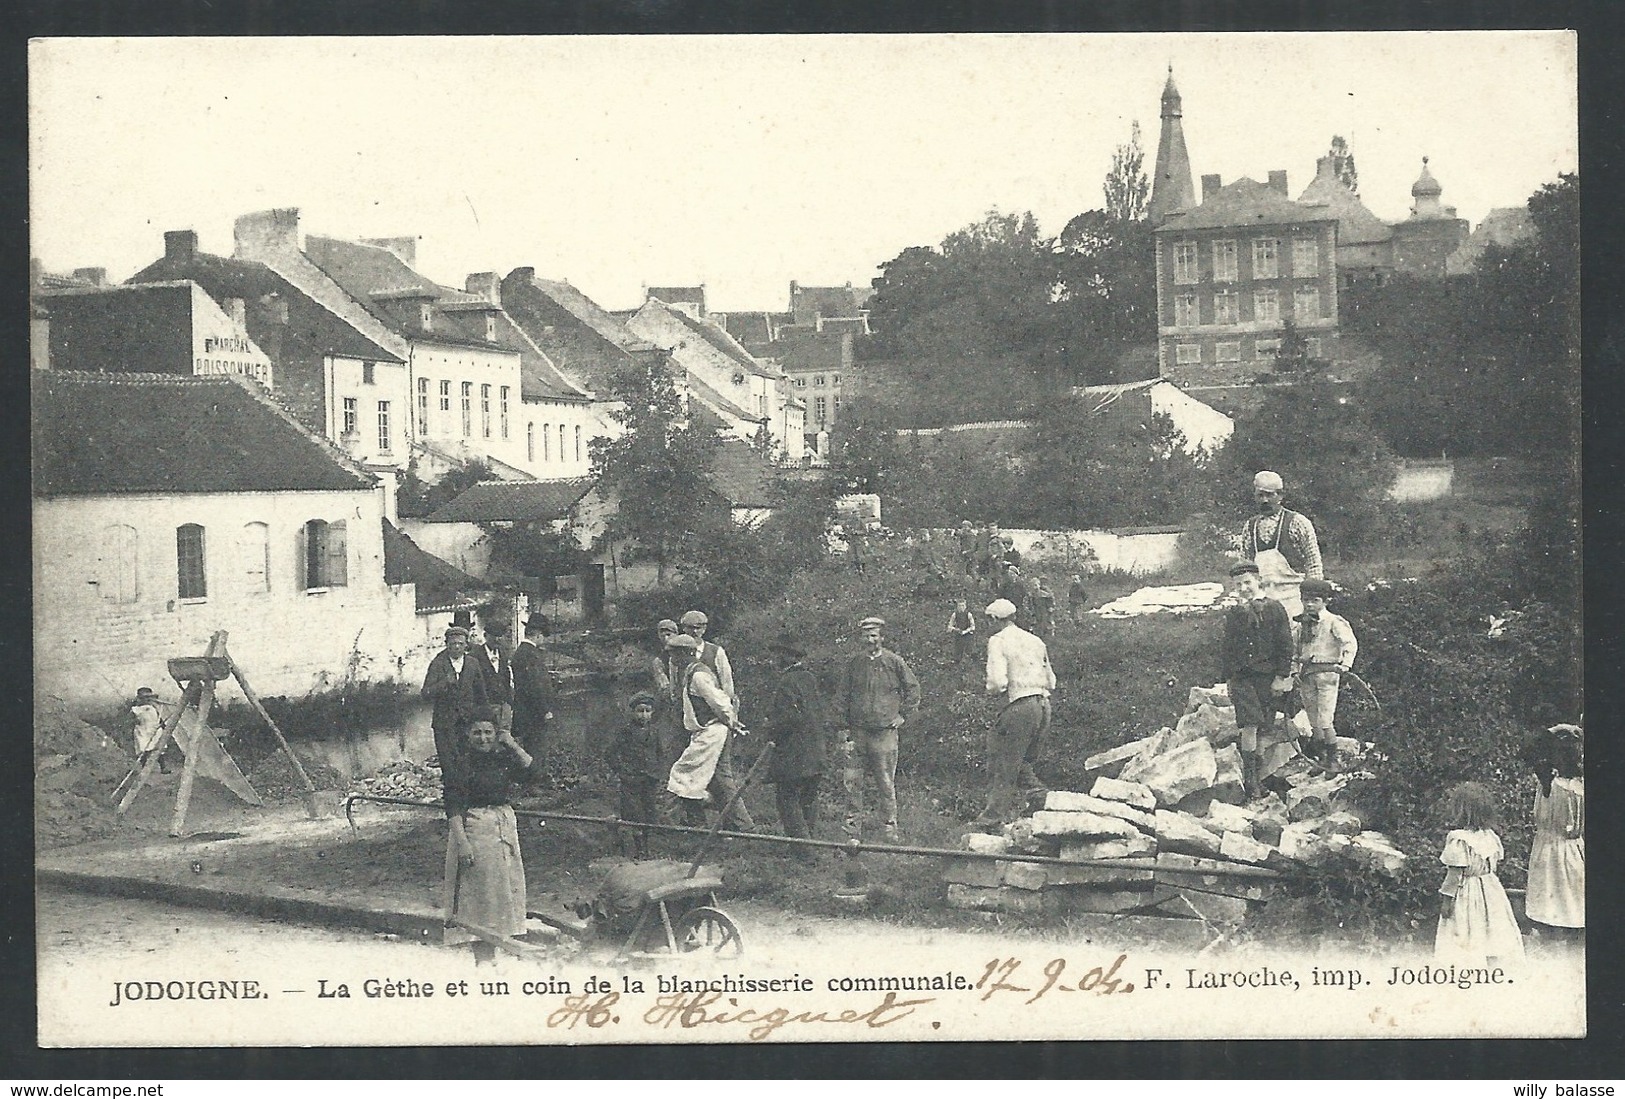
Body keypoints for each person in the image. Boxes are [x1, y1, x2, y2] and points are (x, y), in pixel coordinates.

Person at [442, 706, 538, 965]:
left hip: (504, 826)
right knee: (482, 895)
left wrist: (512, 744)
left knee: (506, 889)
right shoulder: (459, 764)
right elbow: (453, 806)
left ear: (496, 734)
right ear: (467, 735)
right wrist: (463, 843)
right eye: (477, 733)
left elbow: (534, 773)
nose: (483, 738)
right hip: (475, 829)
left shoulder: (502, 758)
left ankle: (505, 948)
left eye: (488, 732)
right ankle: (483, 957)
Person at [834, 616, 920, 843]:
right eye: (866, 636)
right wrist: (843, 729)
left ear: (882, 637)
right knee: (852, 783)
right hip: (858, 733)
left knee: (885, 782)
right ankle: (852, 831)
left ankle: (889, 829)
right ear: (861, 638)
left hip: (884, 734)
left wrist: (903, 716)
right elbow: (843, 696)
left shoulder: (894, 662)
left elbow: (913, 689)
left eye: (874, 635)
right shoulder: (854, 664)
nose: (870, 640)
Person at [971, 598, 1056, 828]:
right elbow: (1052, 680)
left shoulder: (997, 640)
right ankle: (1043, 801)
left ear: (993, 619)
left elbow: (997, 682)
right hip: (1043, 704)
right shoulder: (1035, 640)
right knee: (1024, 763)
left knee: (1002, 761)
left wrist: (991, 692)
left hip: (1020, 706)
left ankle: (991, 819)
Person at [665, 635, 755, 830]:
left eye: (675, 653)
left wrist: (732, 722)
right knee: (711, 779)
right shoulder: (689, 672)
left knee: (684, 775)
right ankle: (708, 823)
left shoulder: (699, 675)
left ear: (686, 653)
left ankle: (741, 825)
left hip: (713, 732)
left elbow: (720, 701)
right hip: (705, 731)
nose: (672, 658)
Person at [1222, 561, 1294, 798]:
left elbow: (1285, 645)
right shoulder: (1234, 613)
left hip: (1267, 677)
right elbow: (1228, 648)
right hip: (1242, 678)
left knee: (1265, 725)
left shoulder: (1275, 609)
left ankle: (1261, 777)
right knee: (1250, 724)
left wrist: (1281, 676)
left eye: (1247, 582)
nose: (1243, 588)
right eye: (1238, 585)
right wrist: (1229, 677)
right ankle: (1250, 780)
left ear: (1258, 581)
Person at [1435, 782, 1525, 964]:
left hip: (1466, 890)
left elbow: (1454, 876)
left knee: (1466, 925)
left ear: (1460, 811)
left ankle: (1466, 964)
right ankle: (1490, 962)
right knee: (1489, 925)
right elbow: (1494, 866)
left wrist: (1446, 901)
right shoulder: (1490, 836)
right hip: (1491, 889)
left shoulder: (1459, 840)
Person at [762, 636, 832, 861]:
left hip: (795, 753)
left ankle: (804, 852)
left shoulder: (787, 682)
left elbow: (790, 717)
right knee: (808, 798)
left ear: (787, 657)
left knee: (787, 799)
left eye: (778, 654)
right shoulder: (809, 678)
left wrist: (770, 726)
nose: (774, 659)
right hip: (815, 748)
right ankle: (805, 845)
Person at [1524, 724, 1584, 946]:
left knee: (1551, 914)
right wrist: (1577, 732)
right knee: (1572, 909)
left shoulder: (1549, 782)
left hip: (1549, 852)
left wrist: (1556, 729)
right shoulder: (1581, 786)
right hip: (1575, 850)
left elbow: (1530, 749)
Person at [1292, 577, 1358, 771]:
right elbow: (1294, 652)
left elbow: (1349, 643)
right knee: (1313, 719)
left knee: (1325, 719)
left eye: (1315, 600)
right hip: (1307, 675)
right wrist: (1294, 671)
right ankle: (1320, 759)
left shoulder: (1333, 622)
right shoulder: (1299, 625)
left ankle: (1333, 759)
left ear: (1325, 601)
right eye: (1306, 600)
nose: (1310, 604)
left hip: (1328, 674)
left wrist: (1345, 665)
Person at [1241, 470, 1324, 618]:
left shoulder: (1298, 522)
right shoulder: (1250, 527)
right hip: (1262, 602)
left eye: (1270, 494)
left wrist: (1312, 604)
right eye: (1260, 495)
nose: (1265, 500)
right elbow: (1244, 568)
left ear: (1280, 496)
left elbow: (1313, 564)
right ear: (1255, 497)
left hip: (1293, 600)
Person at [422, 625, 491, 796]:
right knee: (449, 764)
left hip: (467, 722)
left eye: (460, 644)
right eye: (453, 644)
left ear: (466, 644)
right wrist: (444, 683)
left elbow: (481, 693)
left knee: (468, 760)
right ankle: (452, 800)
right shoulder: (438, 664)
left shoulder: (472, 663)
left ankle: (470, 796)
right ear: (447, 644)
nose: (457, 647)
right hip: (444, 724)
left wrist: (486, 716)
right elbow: (425, 693)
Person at [610, 692, 666, 859]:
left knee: (649, 813)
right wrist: (622, 771)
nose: (644, 715)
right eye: (640, 711)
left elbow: (660, 753)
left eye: (648, 711)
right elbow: (610, 754)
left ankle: (647, 849)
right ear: (632, 712)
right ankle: (639, 849)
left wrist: (658, 772)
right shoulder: (626, 732)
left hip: (649, 780)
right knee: (635, 815)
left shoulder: (654, 732)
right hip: (631, 781)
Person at [509, 616, 556, 774]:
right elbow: (534, 686)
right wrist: (544, 710)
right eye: (543, 636)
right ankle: (535, 782)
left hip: (526, 710)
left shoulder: (523, 653)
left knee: (533, 747)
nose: (543, 639)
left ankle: (535, 780)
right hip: (533, 712)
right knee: (536, 748)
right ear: (537, 635)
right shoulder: (530, 654)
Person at [474, 619, 515, 737]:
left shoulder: (503, 653)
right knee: (488, 738)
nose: (497, 639)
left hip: (503, 706)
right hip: (486, 707)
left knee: (504, 737)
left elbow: (506, 677)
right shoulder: (475, 656)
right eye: (494, 636)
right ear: (486, 636)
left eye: (499, 636)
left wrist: (508, 702)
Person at [130, 687, 171, 774]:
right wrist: (135, 720)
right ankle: (144, 768)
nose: (147, 700)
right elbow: (131, 719)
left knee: (159, 748)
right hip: (142, 730)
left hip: (154, 729)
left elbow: (159, 718)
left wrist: (162, 725)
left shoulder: (154, 708)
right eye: (144, 698)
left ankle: (163, 767)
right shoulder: (136, 709)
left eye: (149, 698)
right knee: (143, 749)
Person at [946, 599, 977, 666]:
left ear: (965, 606)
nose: (961, 607)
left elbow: (973, 627)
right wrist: (955, 629)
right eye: (959, 606)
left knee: (968, 649)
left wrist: (965, 631)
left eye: (963, 606)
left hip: (967, 634)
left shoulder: (969, 615)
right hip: (958, 634)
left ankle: (968, 662)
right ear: (957, 607)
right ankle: (957, 663)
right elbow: (949, 626)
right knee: (958, 649)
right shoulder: (954, 615)